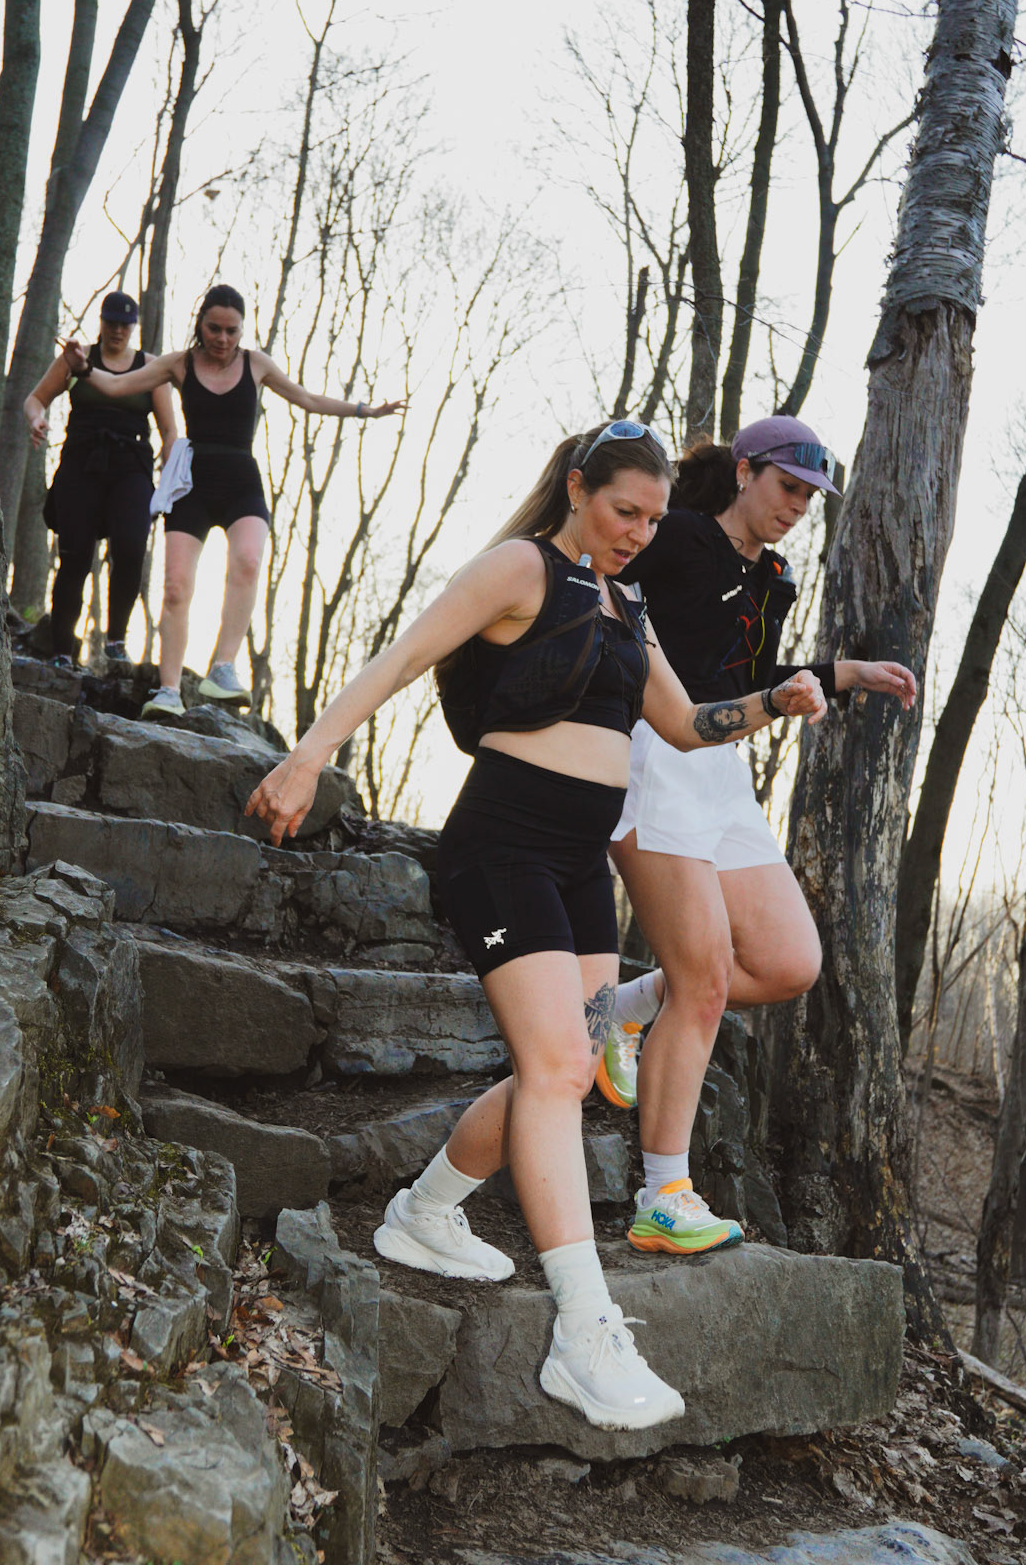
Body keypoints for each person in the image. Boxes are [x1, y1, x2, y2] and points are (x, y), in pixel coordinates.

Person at [243, 420, 826, 1433]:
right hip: (501, 850)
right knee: (558, 1063)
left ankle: (426, 1210)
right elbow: (401, 656)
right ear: (578, 488)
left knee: (572, 1061)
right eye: (623, 511)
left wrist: (773, 701)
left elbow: (685, 724)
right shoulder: (521, 568)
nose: (638, 533)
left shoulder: (628, 602)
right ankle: (583, 1330)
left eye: (654, 519)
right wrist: (307, 755)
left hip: (578, 868)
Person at [602, 415, 917, 1257]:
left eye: (810, 499)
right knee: (702, 981)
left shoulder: (773, 578)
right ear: (744, 472)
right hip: (653, 757)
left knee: (786, 962)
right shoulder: (675, 537)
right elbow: (605, 598)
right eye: (787, 488)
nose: (796, 508)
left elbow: (748, 680)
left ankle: (620, 1011)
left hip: (721, 773)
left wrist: (846, 674)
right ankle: (663, 1194)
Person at [60, 283, 405, 719]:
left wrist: (363, 410)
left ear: (242, 330)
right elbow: (118, 385)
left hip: (242, 482)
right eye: (214, 329)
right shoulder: (179, 364)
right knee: (175, 587)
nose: (222, 339)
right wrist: (82, 369)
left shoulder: (256, 364)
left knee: (247, 561)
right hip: (193, 486)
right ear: (201, 325)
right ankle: (168, 691)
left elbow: (307, 399)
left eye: (231, 330)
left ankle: (223, 668)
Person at [24, 291, 177, 668]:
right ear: (102, 322)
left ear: (134, 327)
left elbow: (170, 430)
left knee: (131, 546)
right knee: (74, 555)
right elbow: (35, 399)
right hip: (82, 464)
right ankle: (62, 650)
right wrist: (36, 419)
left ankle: (116, 641)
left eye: (125, 324)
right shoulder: (77, 358)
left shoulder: (150, 366)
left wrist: (170, 471)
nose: (118, 330)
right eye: (112, 322)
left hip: (131, 467)